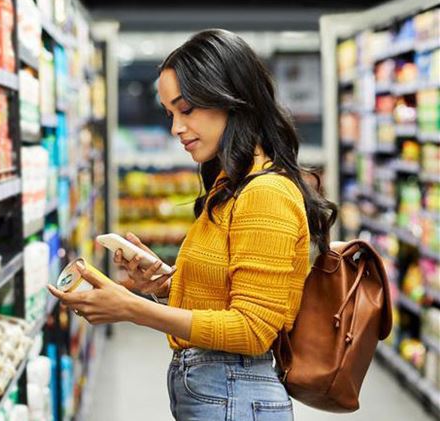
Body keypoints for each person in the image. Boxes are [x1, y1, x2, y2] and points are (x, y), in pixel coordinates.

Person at [47, 29, 337, 421]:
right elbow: (226, 296)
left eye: (186, 110)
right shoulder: (231, 184)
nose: (176, 128)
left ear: (231, 99)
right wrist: (165, 284)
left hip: (236, 396)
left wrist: (131, 308)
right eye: (170, 114)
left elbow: (252, 330)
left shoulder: (266, 193)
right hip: (221, 392)